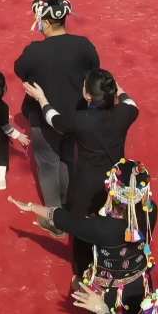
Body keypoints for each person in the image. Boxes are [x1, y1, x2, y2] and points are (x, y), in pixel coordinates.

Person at [9, 158, 156, 314]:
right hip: (140, 291)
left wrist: (31, 206)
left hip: (107, 298)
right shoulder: (150, 212)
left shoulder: (102, 228)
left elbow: (64, 220)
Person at [14, 0, 101, 213]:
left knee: (47, 164)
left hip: (44, 119)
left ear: (46, 22)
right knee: (67, 157)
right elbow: (95, 69)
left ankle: (53, 215)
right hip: (75, 116)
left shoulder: (34, 51)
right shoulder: (83, 45)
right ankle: (68, 206)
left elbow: (20, 70)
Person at [23, 69, 138, 223]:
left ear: (88, 96)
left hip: (87, 183)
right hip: (116, 177)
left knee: (79, 222)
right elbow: (131, 103)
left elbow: (54, 120)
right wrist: (119, 90)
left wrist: (41, 98)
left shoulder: (81, 120)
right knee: (112, 217)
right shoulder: (125, 113)